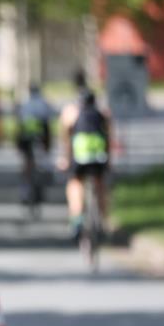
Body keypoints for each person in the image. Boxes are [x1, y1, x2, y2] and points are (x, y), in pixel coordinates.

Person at [58, 87, 111, 240]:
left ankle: (77, 220)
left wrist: (65, 158)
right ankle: (102, 220)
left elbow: (66, 139)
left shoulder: (71, 113)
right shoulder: (103, 113)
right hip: (99, 157)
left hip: (80, 158)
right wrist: (109, 161)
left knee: (75, 184)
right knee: (100, 185)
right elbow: (109, 138)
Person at [15, 83, 54, 207]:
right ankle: (42, 177)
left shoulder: (24, 102)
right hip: (41, 135)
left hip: (26, 135)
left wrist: (17, 144)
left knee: (26, 162)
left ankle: (25, 189)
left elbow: (19, 122)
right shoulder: (43, 102)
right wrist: (48, 145)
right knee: (42, 158)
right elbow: (49, 119)